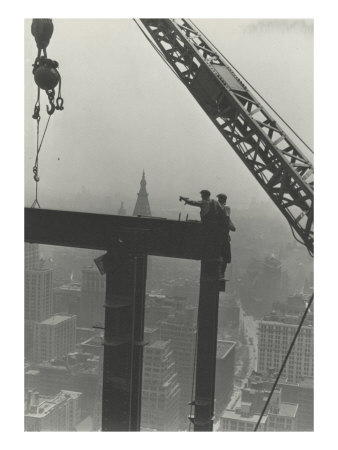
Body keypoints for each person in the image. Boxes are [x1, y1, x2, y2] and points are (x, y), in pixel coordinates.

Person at [216, 193, 236, 279]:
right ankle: (220, 273)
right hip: (222, 237)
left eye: (220, 199)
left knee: (223, 256)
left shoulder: (224, 208)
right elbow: (232, 227)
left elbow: (228, 220)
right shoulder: (221, 208)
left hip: (222, 237)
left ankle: (220, 273)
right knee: (223, 256)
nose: (218, 200)